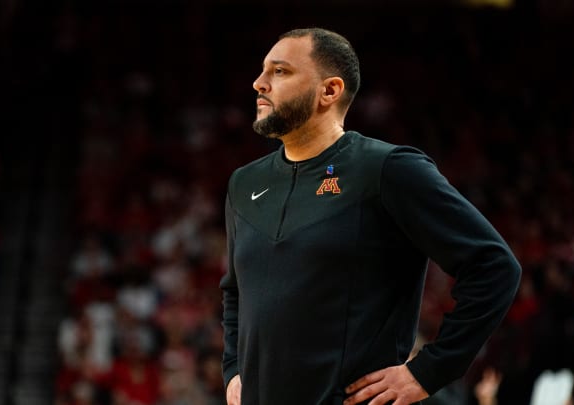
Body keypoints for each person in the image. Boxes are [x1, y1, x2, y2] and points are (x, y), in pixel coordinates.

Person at [219, 27, 522, 405]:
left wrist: (428, 371)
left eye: (280, 72)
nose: (258, 83)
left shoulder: (387, 170)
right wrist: (232, 368)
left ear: (329, 91)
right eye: (263, 70)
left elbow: (493, 266)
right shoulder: (243, 183)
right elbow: (235, 292)